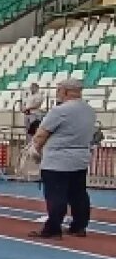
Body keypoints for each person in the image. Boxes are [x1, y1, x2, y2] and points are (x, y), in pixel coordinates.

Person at [29, 77, 94, 238]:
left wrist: (35, 150)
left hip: (58, 161)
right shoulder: (89, 110)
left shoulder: (60, 111)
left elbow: (41, 134)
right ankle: (79, 226)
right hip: (80, 159)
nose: (57, 93)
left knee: (55, 196)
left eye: (58, 90)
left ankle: (53, 229)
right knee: (78, 194)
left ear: (65, 91)